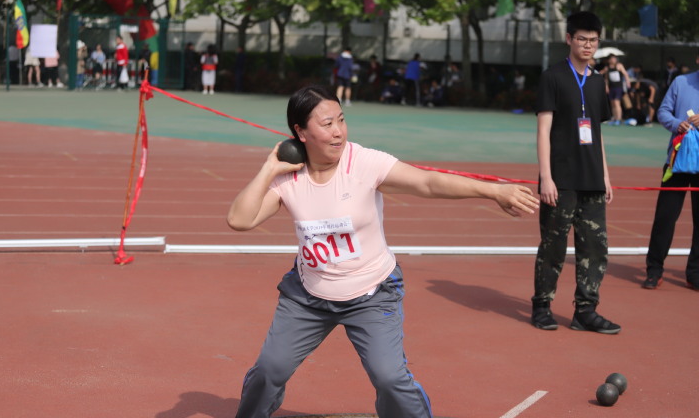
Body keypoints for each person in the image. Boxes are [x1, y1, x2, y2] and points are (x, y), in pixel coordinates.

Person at [227, 85, 539, 418]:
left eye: (341, 120)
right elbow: (239, 220)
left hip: (372, 294)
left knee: (390, 378)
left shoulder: (363, 163)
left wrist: (492, 191)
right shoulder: (289, 176)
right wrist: (269, 169)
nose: (339, 132)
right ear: (300, 132)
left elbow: (427, 182)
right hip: (308, 296)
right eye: (327, 124)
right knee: (269, 369)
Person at [531, 11, 621, 334]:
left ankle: (585, 311)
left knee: (595, 248)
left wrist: (605, 175)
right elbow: (543, 130)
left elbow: (597, 132)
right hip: (562, 180)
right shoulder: (552, 77)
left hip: (592, 179)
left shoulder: (597, 82)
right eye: (581, 39)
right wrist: (546, 177)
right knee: (553, 247)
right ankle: (542, 306)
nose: (587, 45)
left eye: (593, 40)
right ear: (569, 39)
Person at [642, 50, 699, 291]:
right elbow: (663, 111)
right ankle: (654, 270)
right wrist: (677, 124)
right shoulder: (681, 82)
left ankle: (695, 273)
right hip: (677, 162)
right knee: (665, 217)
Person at [604, 54, 631, 125]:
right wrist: (606, 87)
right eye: (612, 58)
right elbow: (606, 79)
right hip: (611, 88)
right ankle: (614, 118)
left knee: (616, 103)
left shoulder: (619, 66)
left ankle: (618, 119)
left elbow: (625, 74)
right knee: (612, 103)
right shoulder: (607, 68)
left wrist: (627, 82)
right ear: (609, 60)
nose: (614, 60)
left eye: (614, 58)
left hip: (618, 87)